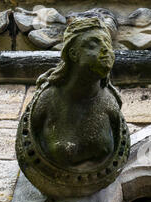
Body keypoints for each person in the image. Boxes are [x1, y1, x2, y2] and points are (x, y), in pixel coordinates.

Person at [30, 16, 123, 168]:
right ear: (73, 54)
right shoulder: (47, 100)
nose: (106, 49)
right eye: (94, 44)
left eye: (108, 43)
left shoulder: (111, 103)